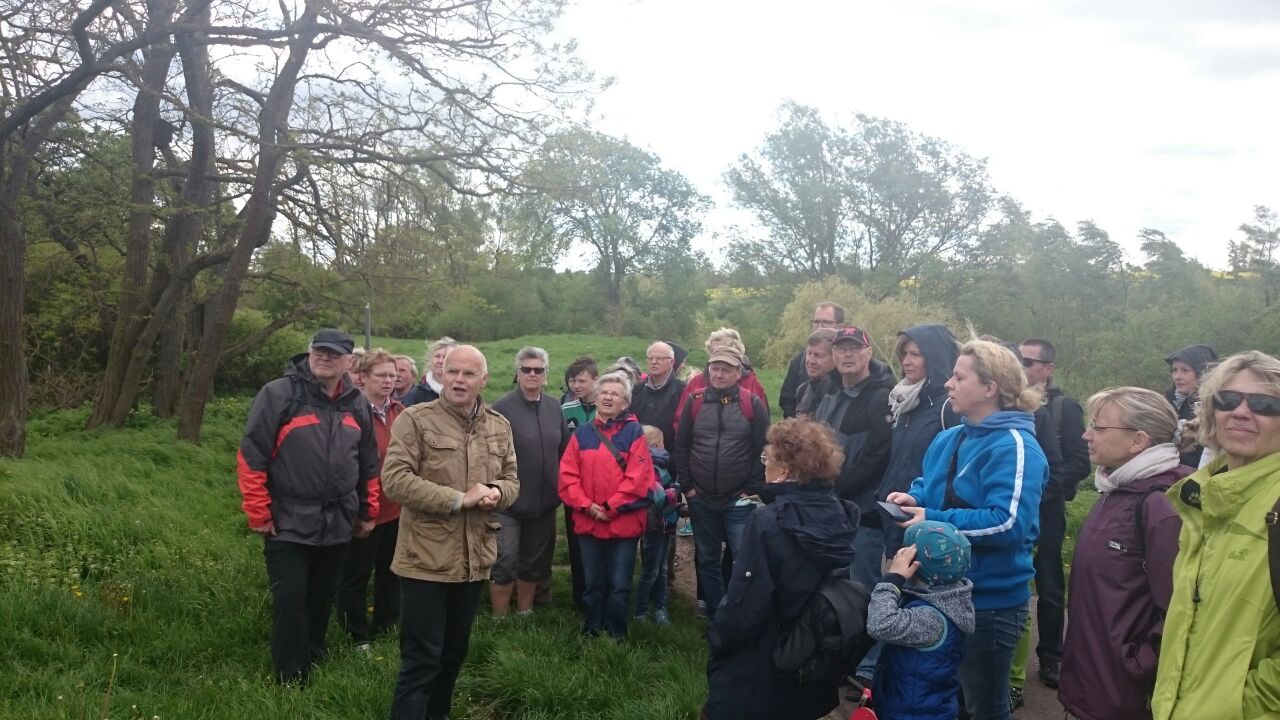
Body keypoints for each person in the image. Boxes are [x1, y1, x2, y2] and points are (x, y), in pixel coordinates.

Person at [887, 339, 1050, 720]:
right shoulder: (950, 436)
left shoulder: (1016, 447)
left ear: (990, 387)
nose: (948, 383)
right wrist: (913, 499)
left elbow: (1007, 524)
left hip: (989, 603)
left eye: (959, 378)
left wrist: (932, 518)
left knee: (984, 707)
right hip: (935, 593)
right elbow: (927, 483)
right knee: (945, 698)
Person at [381, 345, 519, 719]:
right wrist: (458, 499)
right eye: (453, 372)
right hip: (425, 560)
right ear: (442, 374)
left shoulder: (498, 425)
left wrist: (497, 492)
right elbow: (395, 480)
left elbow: (511, 480)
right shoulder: (415, 419)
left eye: (468, 374)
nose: (459, 380)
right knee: (421, 662)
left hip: (474, 561)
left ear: (483, 379)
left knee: (453, 656)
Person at [236, 328, 381, 683]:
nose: (324, 357)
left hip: (338, 520)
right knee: (290, 599)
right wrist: (258, 511)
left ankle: (314, 655)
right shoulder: (279, 394)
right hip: (288, 519)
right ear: (309, 352)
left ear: (349, 362)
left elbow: (368, 463)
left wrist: (368, 511)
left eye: (333, 353)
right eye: (319, 351)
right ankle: (290, 675)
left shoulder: (357, 403)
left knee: (321, 596)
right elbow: (252, 456)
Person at [1152, 350, 1280, 720]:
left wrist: (1240, 706)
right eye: (1227, 399)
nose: (1241, 412)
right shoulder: (1203, 497)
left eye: (1264, 404)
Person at [702, 417, 858, 720]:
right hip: (810, 652)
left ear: (784, 470)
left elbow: (746, 604)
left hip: (763, 655)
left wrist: (718, 638)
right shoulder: (840, 513)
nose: (763, 465)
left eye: (767, 458)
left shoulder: (768, 521)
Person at [1058, 387, 1191, 720]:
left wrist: (1138, 665)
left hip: (1124, 690)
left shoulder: (1160, 505)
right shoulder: (1117, 490)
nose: (1086, 435)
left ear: (1138, 441)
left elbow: (1180, 608)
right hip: (1096, 678)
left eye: (1099, 427)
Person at [811, 325, 894, 684]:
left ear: (868, 354)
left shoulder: (881, 397)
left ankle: (869, 664)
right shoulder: (829, 391)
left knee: (866, 583)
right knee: (834, 581)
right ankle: (840, 651)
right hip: (831, 505)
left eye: (854, 349)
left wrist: (834, 485)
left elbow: (877, 456)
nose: (847, 355)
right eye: (841, 349)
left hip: (864, 509)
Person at [1008, 338, 1090, 695]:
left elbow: (1079, 463)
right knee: (1014, 577)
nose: (1023, 366)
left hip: (1048, 507)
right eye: (1019, 360)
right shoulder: (1007, 402)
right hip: (1016, 506)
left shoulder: (1063, 408)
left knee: (1050, 582)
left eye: (1029, 362)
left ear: (1048, 368)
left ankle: (1052, 656)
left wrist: (1039, 490)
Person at [673, 344, 770, 621]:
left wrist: (750, 489)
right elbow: (682, 446)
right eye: (714, 368)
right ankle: (717, 615)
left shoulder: (752, 404)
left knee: (742, 558)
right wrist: (688, 487)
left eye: (726, 369)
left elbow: (762, 449)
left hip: (738, 498)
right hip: (700, 497)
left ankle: (739, 613)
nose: (719, 374)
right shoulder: (695, 401)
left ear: (738, 372)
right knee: (707, 559)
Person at [558, 371, 654, 638]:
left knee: (620, 584)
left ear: (625, 402)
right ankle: (592, 629)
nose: (608, 397)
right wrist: (586, 505)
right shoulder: (582, 433)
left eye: (615, 394)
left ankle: (615, 634)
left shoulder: (634, 433)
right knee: (593, 582)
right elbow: (567, 475)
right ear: (596, 397)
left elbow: (639, 478)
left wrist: (610, 508)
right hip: (589, 520)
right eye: (604, 392)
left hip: (622, 522)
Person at [489, 347, 570, 617]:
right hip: (508, 503)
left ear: (546, 374)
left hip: (544, 503)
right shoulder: (502, 407)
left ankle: (525, 612)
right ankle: (499, 618)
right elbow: (491, 454)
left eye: (538, 369)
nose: (532, 374)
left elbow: (564, 449)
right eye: (526, 369)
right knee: (505, 559)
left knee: (533, 561)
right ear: (518, 373)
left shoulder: (554, 407)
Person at [867, 521, 975, 720]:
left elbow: (879, 624)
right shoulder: (950, 596)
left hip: (913, 712)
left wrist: (894, 578)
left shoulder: (931, 618)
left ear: (914, 564)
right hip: (927, 703)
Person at [335, 349, 404, 648]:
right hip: (362, 508)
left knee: (391, 571)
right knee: (356, 575)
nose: (388, 381)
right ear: (363, 377)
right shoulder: (349, 411)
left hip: (396, 507)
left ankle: (386, 625)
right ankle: (356, 635)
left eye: (392, 375)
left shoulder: (400, 411)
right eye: (381, 375)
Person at [878, 324, 961, 558]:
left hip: (929, 521)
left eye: (915, 354)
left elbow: (952, 469)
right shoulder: (905, 401)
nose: (907, 361)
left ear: (934, 358)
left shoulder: (949, 407)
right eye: (904, 354)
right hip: (898, 509)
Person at [675, 328, 770, 434]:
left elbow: (762, 427)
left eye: (723, 350)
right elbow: (680, 422)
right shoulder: (696, 382)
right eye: (713, 352)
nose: (718, 355)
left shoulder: (751, 383)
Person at [560, 355, 599, 611]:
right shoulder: (565, 410)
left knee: (601, 541)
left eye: (581, 380)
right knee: (576, 544)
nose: (576, 385)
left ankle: (602, 593)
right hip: (574, 489)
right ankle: (581, 598)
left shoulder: (608, 408)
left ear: (596, 379)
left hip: (603, 487)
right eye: (572, 381)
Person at [634, 424, 678, 626]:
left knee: (661, 568)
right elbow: (659, 496)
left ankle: (660, 607)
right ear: (655, 443)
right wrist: (676, 492)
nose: (665, 446)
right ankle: (641, 611)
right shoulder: (648, 466)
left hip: (665, 525)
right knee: (651, 570)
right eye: (662, 442)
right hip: (654, 526)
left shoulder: (660, 465)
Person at [779, 301, 845, 418]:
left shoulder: (850, 368)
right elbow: (787, 399)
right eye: (816, 322)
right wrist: (797, 423)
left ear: (841, 327)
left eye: (826, 322)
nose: (819, 326)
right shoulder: (800, 360)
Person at [1163, 344, 1218, 467]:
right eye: (1174, 370)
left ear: (1202, 373)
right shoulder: (1166, 401)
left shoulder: (1212, 408)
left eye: (1185, 370)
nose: (1177, 377)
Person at [631, 341, 687, 453]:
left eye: (659, 358)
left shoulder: (682, 391)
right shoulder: (636, 390)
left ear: (672, 361)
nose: (654, 362)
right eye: (650, 358)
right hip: (636, 453)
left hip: (668, 455)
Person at [400, 337, 456, 407]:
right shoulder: (417, 394)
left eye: (445, 357)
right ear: (430, 360)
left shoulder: (463, 391)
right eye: (437, 356)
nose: (440, 361)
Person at [793, 328, 837, 416]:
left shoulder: (841, 392)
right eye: (809, 353)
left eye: (818, 355)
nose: (811, 361)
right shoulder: (802, 390)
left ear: (835, 357)